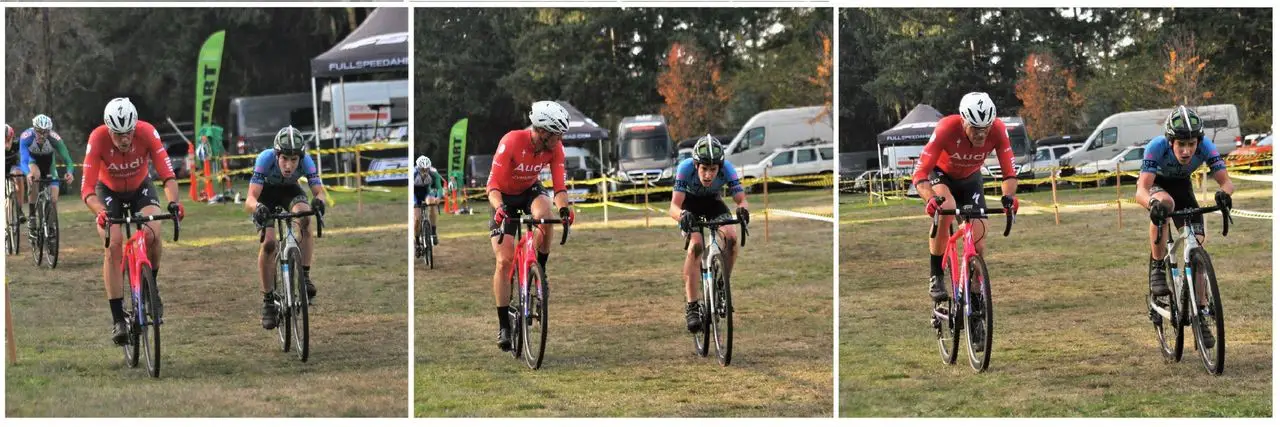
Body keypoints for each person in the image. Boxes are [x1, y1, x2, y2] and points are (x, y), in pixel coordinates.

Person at [911, 92, 1019, 351]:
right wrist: (930, 198)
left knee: (979, 243)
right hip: (941, 176)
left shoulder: (998, 130)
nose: (981, 135)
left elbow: (1009, 171)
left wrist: (1008, 198)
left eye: (986, 128)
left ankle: (976, 307)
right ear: (963, 120)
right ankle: (936, 273)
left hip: (971, 179)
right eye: (975, 128)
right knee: (946, 208)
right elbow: (920, 174)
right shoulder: (947, 128)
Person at [81, 98, 185, 345]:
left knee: (153, 232)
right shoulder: (97, 139)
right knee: (113, 244)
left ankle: (151, 289)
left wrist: (173, 202)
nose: (124, 139)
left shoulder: (147, 132)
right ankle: (118, 318)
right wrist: (99, 211)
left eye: (128, 132)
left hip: (140, 187)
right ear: (109, 129)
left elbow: (168, 175)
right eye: (118, 134)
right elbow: (86, 187)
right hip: (108, 191)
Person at [1136, 106, 1232, 347]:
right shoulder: (1156, 147)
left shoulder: (1207, 147)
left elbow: (1226, 182)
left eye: (1191, 144)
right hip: (1158, 187)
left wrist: (1224, 195)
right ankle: (1159, 267)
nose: (1187, 150)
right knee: (1165, 204)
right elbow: (1141, 190)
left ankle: (1200, 314)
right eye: (1181, 144)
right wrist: (1151, 204)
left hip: (1182, 187)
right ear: (1170, 143)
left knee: (1198, 246)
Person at [486, 100, 575, 351]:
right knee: (504, 261)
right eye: (557, 135)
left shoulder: (555, 149)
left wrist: (565, 208)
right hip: (502, 197)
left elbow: (559, 187)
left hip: (529, 192)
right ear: (544, 132)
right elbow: (491, 185)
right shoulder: (512, 141)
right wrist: (500, 208)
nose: (560, 140)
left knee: (545, 214)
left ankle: (540, 271)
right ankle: (503, 324)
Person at [245, 126, 327, 330]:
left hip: (289, 191)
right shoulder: (265, 159)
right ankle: (268, 301)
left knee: (306, 217)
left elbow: (319, 192)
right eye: (284, 159)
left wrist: (318, 201)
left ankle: (305, 276)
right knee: (270, 243)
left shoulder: (307, 161)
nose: (289, 165)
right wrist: (258, 208)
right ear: (276, 155)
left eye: (294, 160)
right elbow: (250, 198)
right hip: (266, 196)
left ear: (300, 157)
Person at [668, 135, 749, 333]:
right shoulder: (685, 168)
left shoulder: (728, 168)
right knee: (696, 246)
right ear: (696, 166)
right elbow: (673, 206)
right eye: (704, 169)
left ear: (719, 168)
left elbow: (741, 200)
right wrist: (682, 216)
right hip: (689, 206)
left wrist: (743, 210)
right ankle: (692, 305)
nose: (708, 175)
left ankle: (723, 287)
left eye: (713, 170)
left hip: (713, 203)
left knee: (731, 237)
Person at [18, 114, 77, 234]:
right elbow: (23, 160)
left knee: (53, 199)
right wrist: (28, 173)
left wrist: (70, 172)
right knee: (35, 176)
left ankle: (50, 229)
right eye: (39, 132)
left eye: (45, 132)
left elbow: (68, 160)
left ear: (49, 131)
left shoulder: (55, 138)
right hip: (33, 162)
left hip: (49, 164)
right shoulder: (26, 137)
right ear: (34, 129)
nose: (42, 135)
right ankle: (33, 216)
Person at [413, 155, 445, 248]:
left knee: (432, 202)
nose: (425, 171)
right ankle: (417, 241)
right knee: (417, 218)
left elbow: (439, 187)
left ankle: (433, 232)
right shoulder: (413, 173)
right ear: (418, 168)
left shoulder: (433, 172)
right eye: (422, 169)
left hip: (427, 191)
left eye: (427, 169)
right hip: (415, 193)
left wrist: (438, 197)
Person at [5, 123, 26, 226]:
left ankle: (20, 209)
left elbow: (25, 155)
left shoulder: (17, 143)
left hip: (13, 166)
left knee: (19, 175)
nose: (6, 143)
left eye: (8, 139)